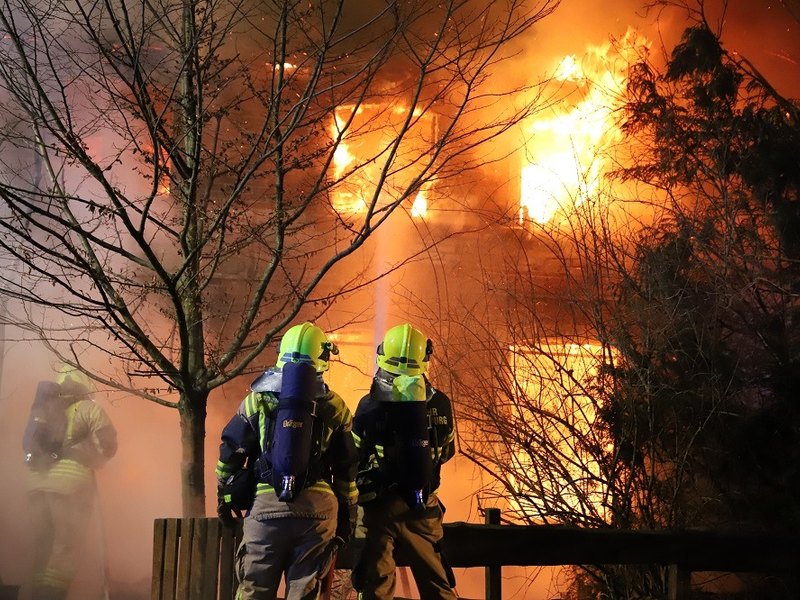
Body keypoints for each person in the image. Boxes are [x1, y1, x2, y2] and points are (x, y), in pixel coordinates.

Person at [216, 322, 359, 600]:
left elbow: (230, 455)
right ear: (323, 358)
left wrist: (224, 497)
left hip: (266, 509)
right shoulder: (335, 406)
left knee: (253, 591)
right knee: (304, 593)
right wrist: (348, 517)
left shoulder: (256, 401)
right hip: (318, 513)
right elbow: (346, 470)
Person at [351, 323, 457, 600]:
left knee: (377, 586)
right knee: (438, 585)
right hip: (424, 508)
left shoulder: (370, 404)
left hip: (379, 508)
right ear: (424, 358)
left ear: (384, 355)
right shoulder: (441, 404)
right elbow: (447, 452)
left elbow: (354, 455)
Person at [25, 365, 118, 600]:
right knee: (67, 548)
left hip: (36, 487)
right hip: (70, 489)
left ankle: (36, 594)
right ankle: (50, 597)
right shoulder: (87, 409)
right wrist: (93, 458)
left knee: (43, 548)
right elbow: (107, 445)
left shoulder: (43, 411)